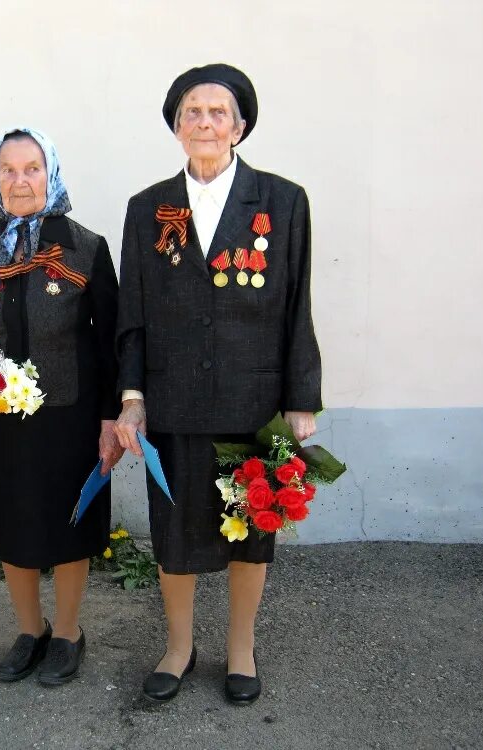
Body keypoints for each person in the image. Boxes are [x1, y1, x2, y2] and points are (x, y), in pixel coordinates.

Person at [114, 65, 322, 704]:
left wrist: (300, 396)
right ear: (177, 127)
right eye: (192, 112)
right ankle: (179, 647)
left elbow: (296, 303)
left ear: (239, 126)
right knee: (175, 535)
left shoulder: (282, 201)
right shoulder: (149, 208)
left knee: (251, 527)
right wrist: (131, 396)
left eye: (218, 112)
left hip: (251, 402)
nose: (204, 122)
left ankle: (240, 649)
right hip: (174, 403)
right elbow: (134, 311)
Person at [0, 127, 122, 685]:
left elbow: (110, 339)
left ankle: (68, 633)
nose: (19, 180)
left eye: (31, 168)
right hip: (1, 418)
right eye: (8, 170)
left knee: (70, 524)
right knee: (12, 523)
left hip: (70, 416)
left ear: (51, 174)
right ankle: (30, 630)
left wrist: (109, 419)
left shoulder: (85, 246)